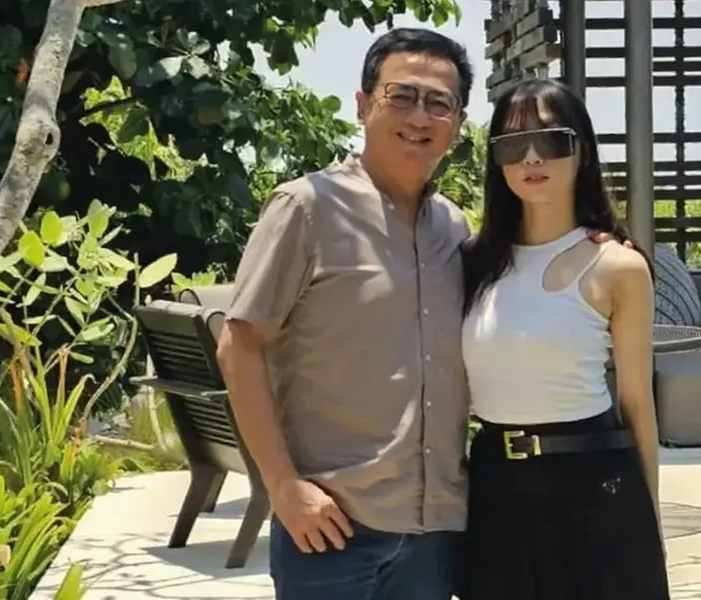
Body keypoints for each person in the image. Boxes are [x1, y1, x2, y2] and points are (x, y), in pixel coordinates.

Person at [215, 28, 628, 599]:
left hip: (437, 534)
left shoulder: (452, 229)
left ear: (457, 125)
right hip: (332, 528)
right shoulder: (307, 208)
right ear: (363, 105)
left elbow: (528, 285)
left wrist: (589, 243)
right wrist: (282, 487)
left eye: (439, 103)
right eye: (401, 96)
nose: (419, 116)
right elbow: (239, 344)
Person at [459, 78, 670, 600]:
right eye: (513, 144)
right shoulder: (473, 261)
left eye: (551, 140)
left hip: (592, 484)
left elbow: (637, 402)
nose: (532, 157)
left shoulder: (618, 266)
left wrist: (650, 523)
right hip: (494, 486)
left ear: (583, 150)